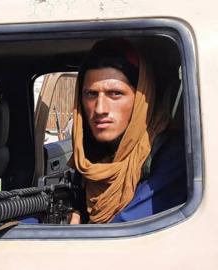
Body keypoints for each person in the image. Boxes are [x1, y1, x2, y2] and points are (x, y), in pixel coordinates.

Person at [69, 39, 187, 224]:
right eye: (91, 94)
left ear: (141, 97)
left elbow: (123, 227)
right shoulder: (87, 159)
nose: (100, 109)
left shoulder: (170, 155)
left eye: (115, 94)